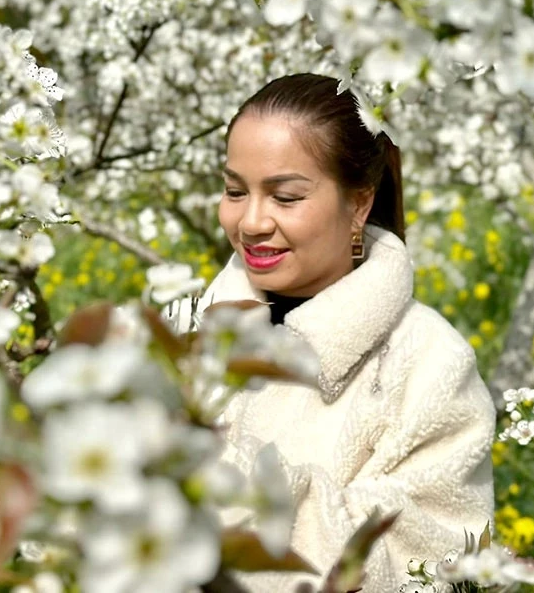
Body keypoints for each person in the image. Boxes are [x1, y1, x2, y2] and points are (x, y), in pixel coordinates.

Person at [178, 73, 495, 593]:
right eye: (235, 190)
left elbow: (431, 569)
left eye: (285, 197)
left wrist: (209, 477)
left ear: (359, 203)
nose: (251, 221)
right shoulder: (182, 331)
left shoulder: (431, 366)